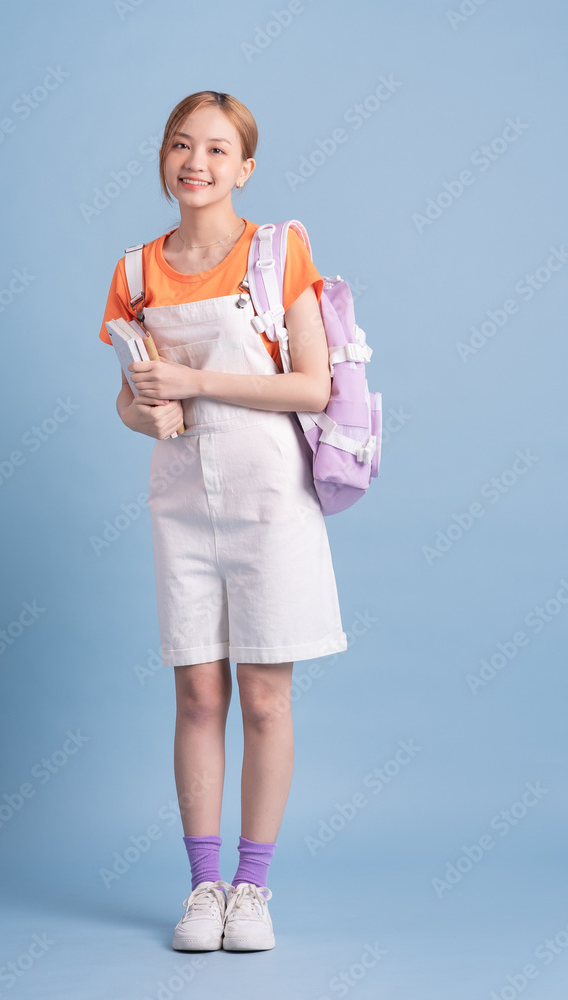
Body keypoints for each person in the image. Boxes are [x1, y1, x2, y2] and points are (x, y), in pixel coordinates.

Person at [99, 90, 349, 952]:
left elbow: (311, 387)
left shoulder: (278, 251)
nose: (193, 162)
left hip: (269, 499)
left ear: (244, 168)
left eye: (214, 149)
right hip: (180, 501)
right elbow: (130, 404)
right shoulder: (135, 272)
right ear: (162, 159)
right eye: (178, 145)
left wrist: (196, 384)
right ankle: (203, 887)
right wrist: (146, 409)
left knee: (264, 698)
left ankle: (253, 888)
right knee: (197, 692)